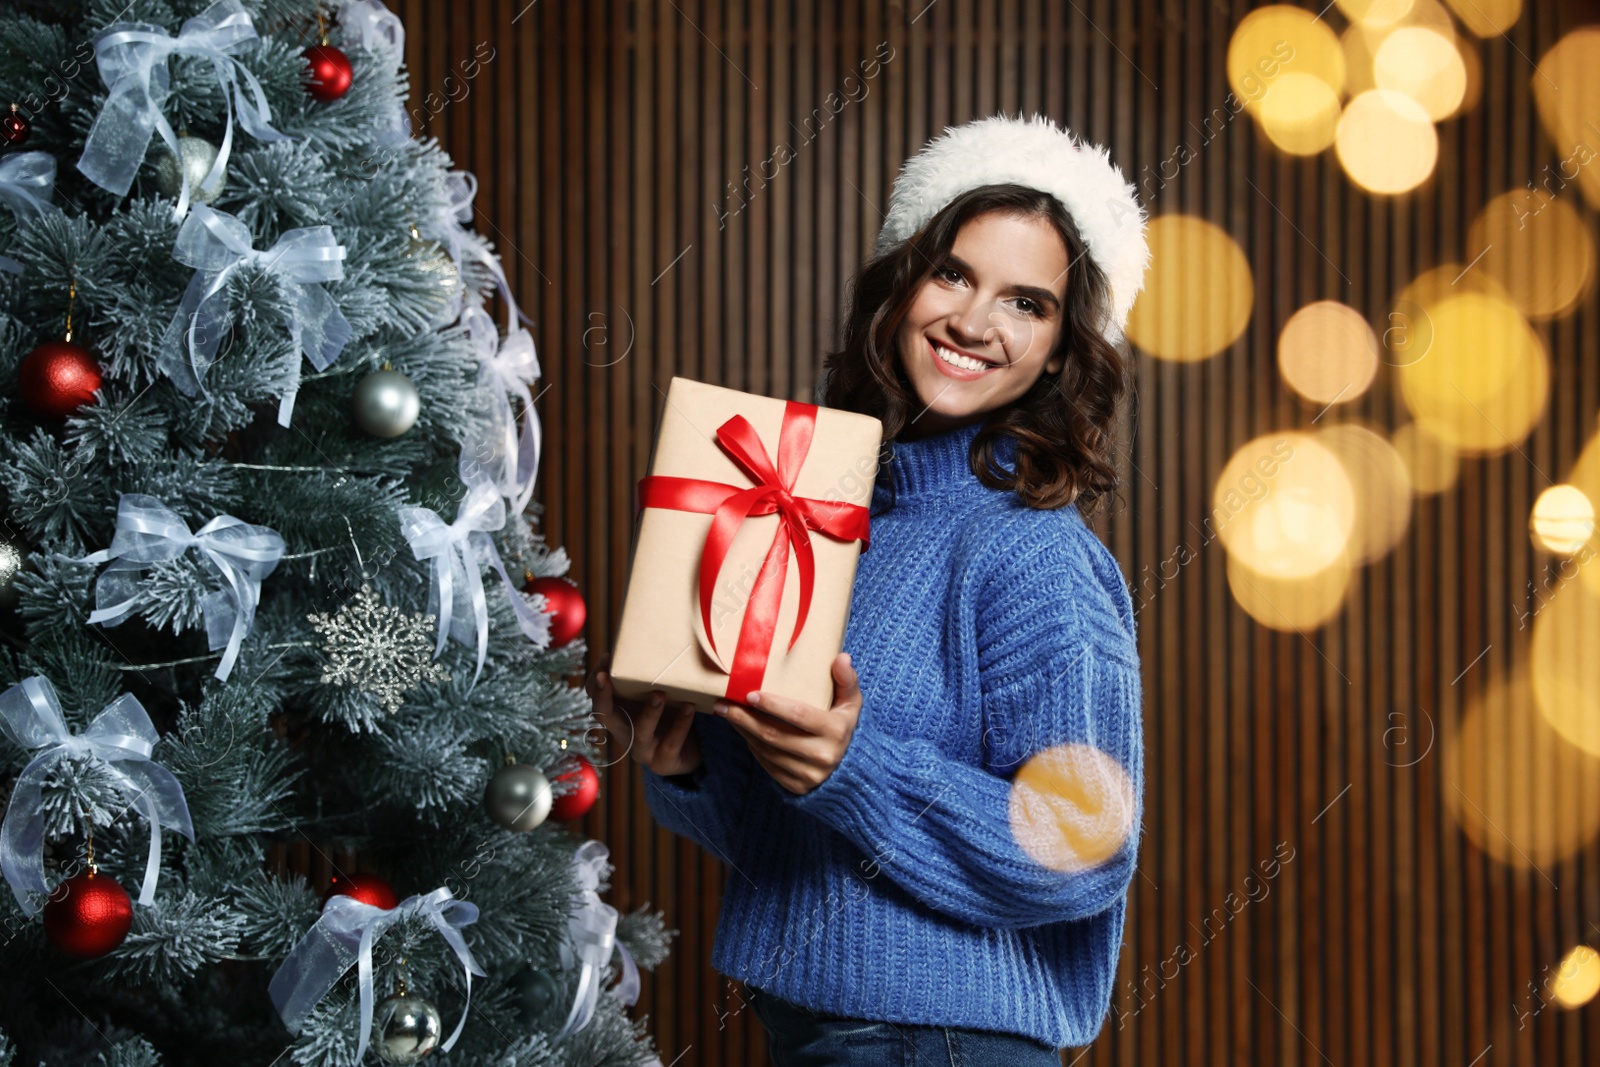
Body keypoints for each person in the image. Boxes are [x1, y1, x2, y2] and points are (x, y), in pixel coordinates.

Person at [589, 112, 1150, 1066]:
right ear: (901, 284)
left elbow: (1082, 846)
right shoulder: (832, 524)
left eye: (1027, 303)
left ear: (1061, 349)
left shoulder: (1032, 554)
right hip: (827, 1033)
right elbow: (795, 840)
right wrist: (685, 764)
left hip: (940, 1044)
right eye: (954, 274)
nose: (975, 322)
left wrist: (856, 771)